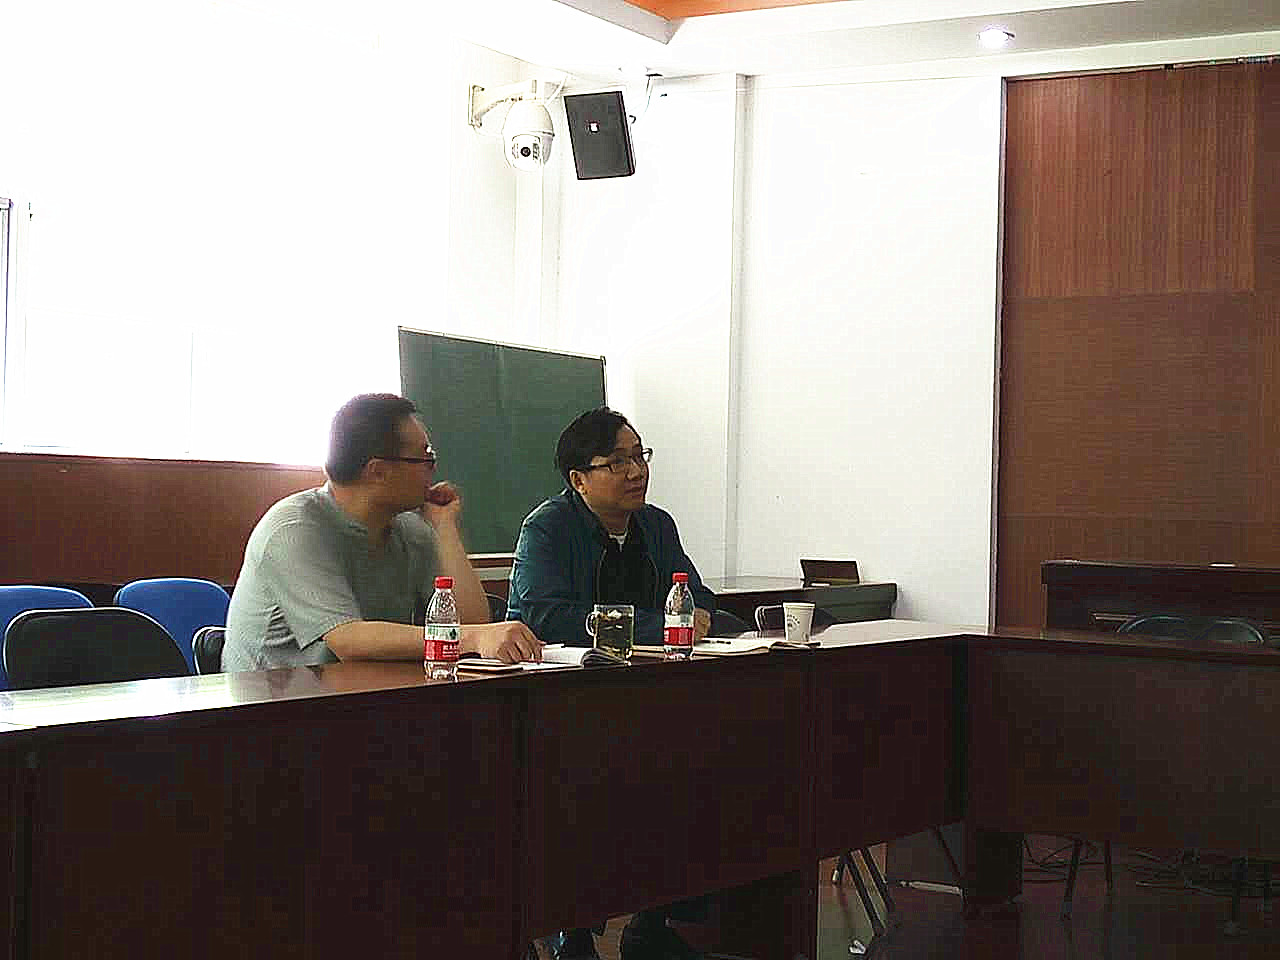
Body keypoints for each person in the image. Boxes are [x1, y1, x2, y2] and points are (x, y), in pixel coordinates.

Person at [508, 406, 715, 960]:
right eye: (618, 461)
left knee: (693, 771)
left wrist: (710, 619)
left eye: (639, 456)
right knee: (587, 793)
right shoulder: (547, 527)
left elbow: (694, 595)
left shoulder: (656, 525)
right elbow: (545, 615)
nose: (636, 471)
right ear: (579, 479)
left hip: (644, 697)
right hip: (559, 702)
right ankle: (569, 931)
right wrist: (659, 626)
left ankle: (653, 919)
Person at [223, 393, 541, 671]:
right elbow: (348, 640)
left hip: (361, 696)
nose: (433, 468)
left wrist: (445, 527)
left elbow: (473, 622)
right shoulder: (294, 529)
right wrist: (471, 638)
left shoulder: (411, 529)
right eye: (426, 458)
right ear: (378, 471)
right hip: (269, 708)